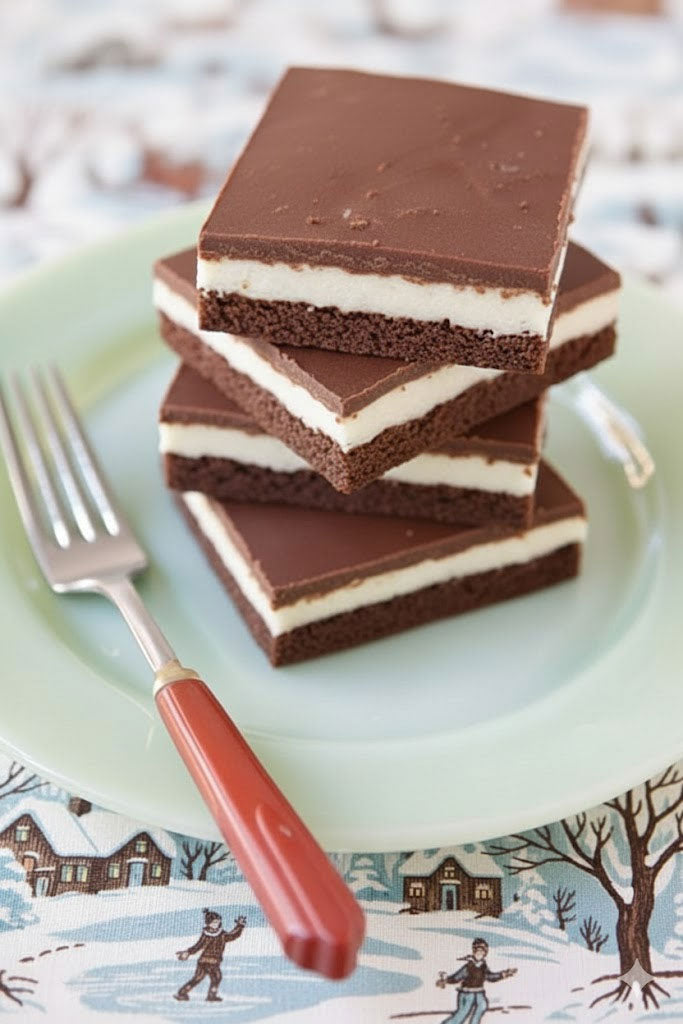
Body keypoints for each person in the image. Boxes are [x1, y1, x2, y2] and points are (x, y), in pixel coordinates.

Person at [436, 938, 516, 1023]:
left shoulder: (483, 966)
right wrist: (446, 980)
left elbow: (490, 977)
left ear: (485, 953)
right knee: (462, 1014)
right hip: (467, 994)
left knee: (482, 1006)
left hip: (479, 993)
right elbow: (457, 977)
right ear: (474, 951)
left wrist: (503, 974)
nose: (480, 953)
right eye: (478, 951)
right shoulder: (469, 966)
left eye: (482, 951)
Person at [174, 908, 247, 1002]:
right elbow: (198, 946)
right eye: (214, 922)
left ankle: (182, 992)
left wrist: (239, 926)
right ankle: (211, 996)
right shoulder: (216, 935)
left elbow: (232, 935)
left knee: (198, 978)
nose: (216, 924)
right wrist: (188, 952)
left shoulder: (220, 934)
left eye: (217, 922)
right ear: (208, 923)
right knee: (216, 977)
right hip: (211, 961)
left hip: (203, 961)